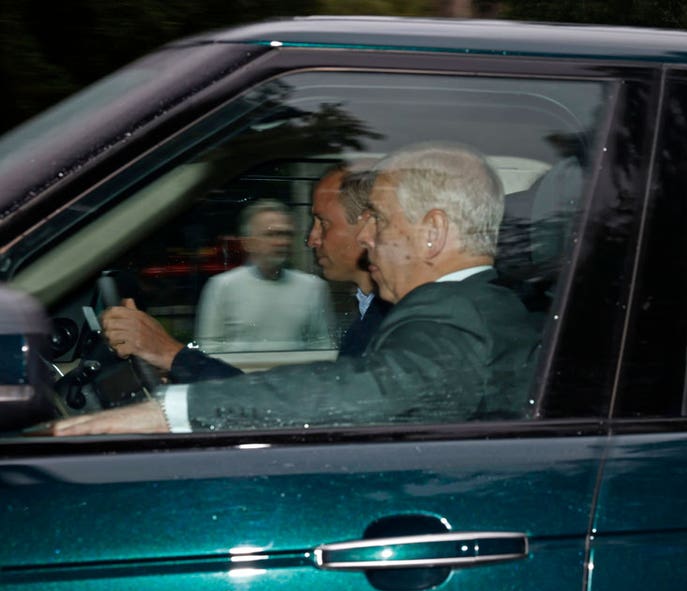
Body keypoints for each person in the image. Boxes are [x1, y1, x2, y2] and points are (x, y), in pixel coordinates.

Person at [53, 142, 542, 435]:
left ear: (432, 233)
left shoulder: (457, 317)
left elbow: (369, 391)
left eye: (380, 221)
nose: (366, 237)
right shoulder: (475, 305)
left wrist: (169, 413)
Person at [102, 166, 391, 382]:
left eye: (323, 223)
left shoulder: (391, 324)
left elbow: (308, 407)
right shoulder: (368, 315)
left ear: (365, 228)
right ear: (248, 242)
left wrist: (171, 354)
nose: (311, 239)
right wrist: (178, 363)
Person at [192, 199, 335, 353]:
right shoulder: (222, 287)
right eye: (271, 234)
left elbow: (323, 347)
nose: (282, 242)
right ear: (248, 243)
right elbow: (208, 350)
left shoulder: (313, 288)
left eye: (286, 234)